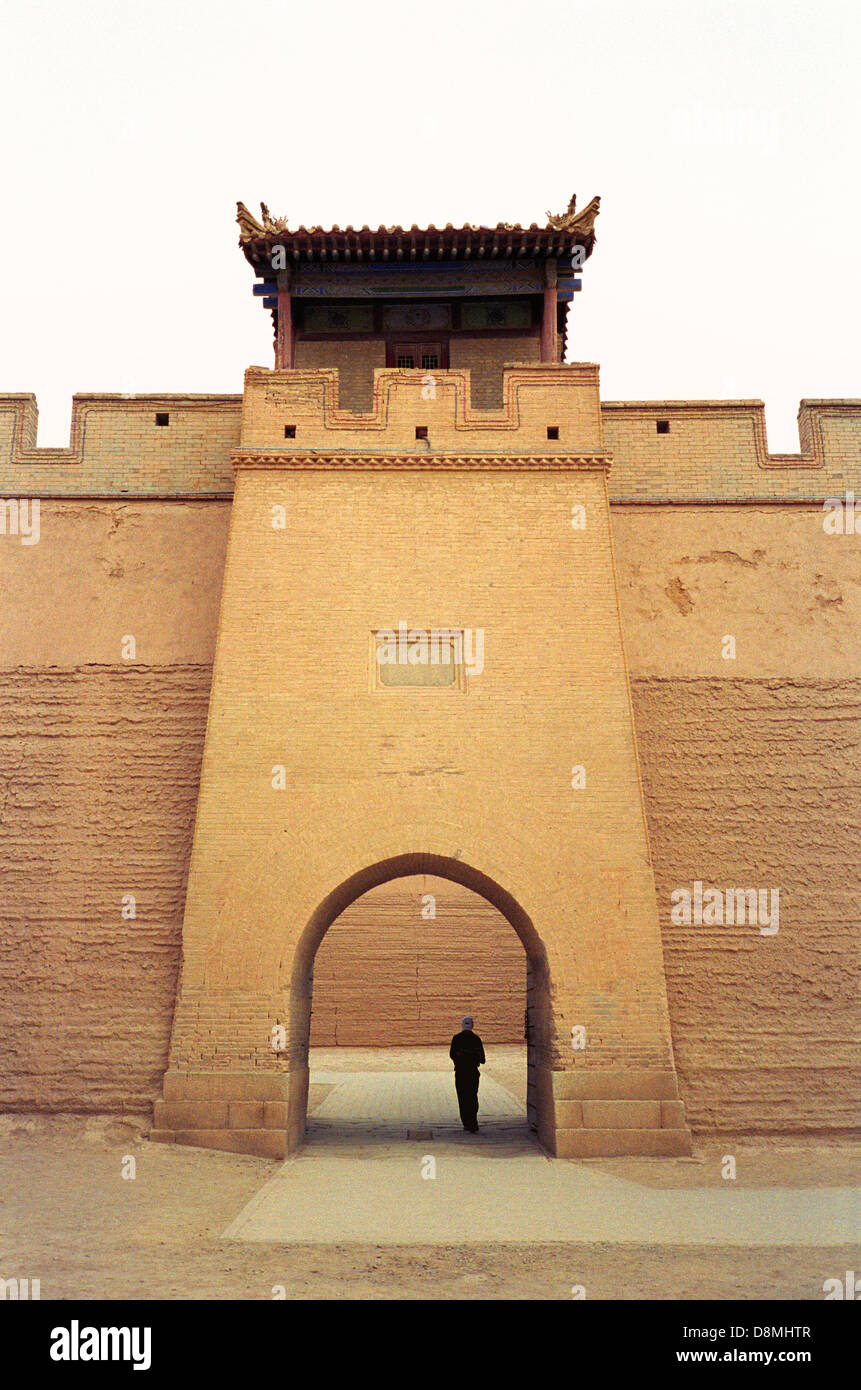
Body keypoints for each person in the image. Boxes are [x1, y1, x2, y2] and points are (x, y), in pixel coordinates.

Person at [449, 1015, 485, 1132]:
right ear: (472, 1025)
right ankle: (473, 1122)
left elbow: (452, 1055)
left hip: (460, 1072)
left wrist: (461, 1057)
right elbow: (482, 1059)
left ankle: (466, 1122)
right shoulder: (476, 1039)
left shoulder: (456, 1039)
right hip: (473, 1073)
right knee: (472, 1096)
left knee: (463, 1097)